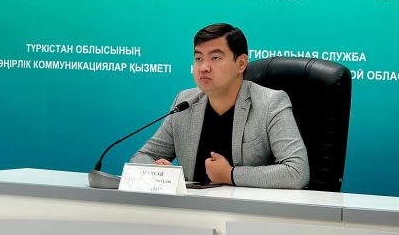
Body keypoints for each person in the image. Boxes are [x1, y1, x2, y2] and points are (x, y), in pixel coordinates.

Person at [131, 23, 310, 189]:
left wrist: (230, 175)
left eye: (215, 58)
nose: (204, 67)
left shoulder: (270, 103)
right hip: (191, 208)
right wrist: (158, 172)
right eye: (198, 58)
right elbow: (142, 157)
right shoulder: (185, 102)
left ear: (241, 64)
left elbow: (297, 172)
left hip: (247, 210)